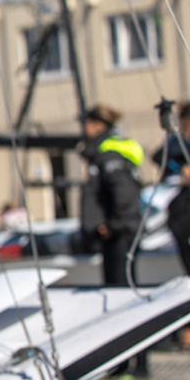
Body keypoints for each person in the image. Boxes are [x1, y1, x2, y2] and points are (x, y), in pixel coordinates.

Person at [80, 105, 144, 287]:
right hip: (115, 234)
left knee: (120, 289)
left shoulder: (110, 157)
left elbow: (125, 195)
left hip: (118, 235)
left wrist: (113, 226)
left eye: (86, 124)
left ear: (97, 126)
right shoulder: (106, 154)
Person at [154, 100, 190, 284]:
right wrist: (182, 171)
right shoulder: (178, 143)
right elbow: (159, 157)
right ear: (187, 121)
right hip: (183, 212)